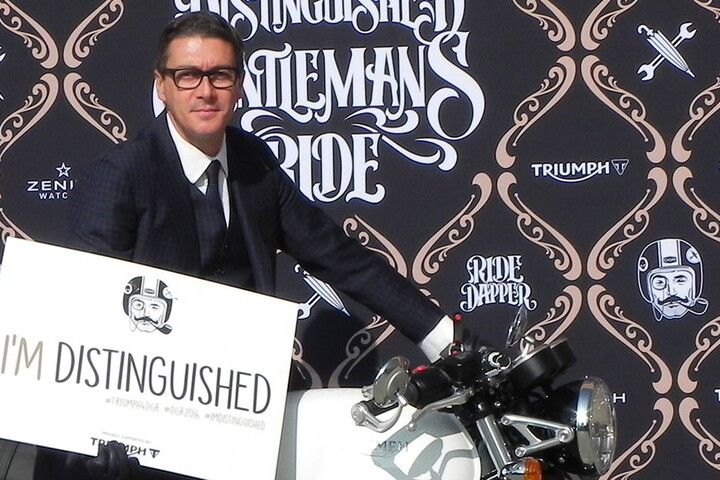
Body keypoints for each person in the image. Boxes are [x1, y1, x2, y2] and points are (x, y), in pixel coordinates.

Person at [42, 10, 454, 480]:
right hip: (144, 432)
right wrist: (95, 429)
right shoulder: (122, 173)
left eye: (220, 74)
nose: (205, 90)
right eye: (187, 75)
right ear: (162, 85)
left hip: (241, 424)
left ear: (238, 85)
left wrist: (441, 336)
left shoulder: (254, 163)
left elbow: (340, 257)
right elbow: (85, 309)